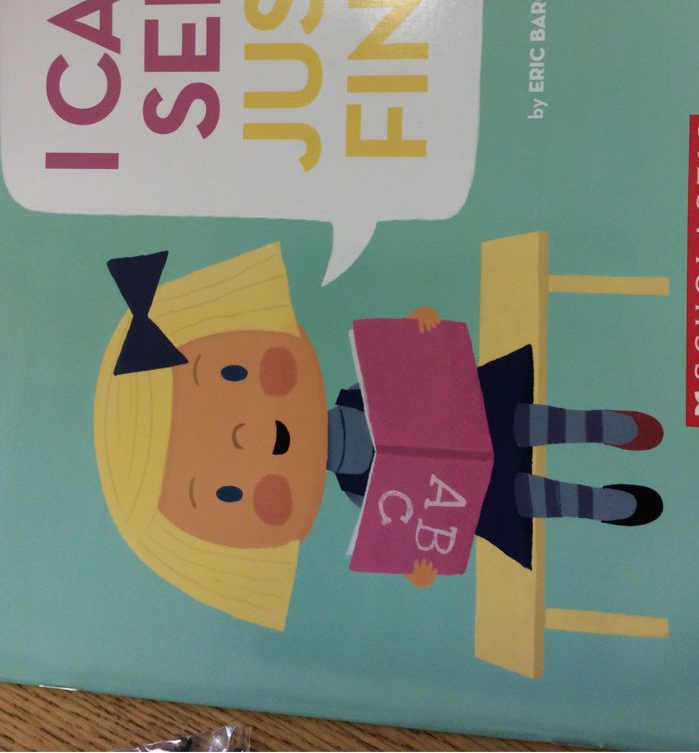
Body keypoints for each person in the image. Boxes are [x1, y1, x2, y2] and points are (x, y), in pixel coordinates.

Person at [94, 242, 663, 625]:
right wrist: (421, 564)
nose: (252, 438)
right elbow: (411, 526)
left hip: (455, 411)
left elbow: (411, 368)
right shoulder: (357, 493)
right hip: (451, 492)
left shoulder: (359, 389)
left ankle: (597, 426)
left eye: (234, 373)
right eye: (226, 493)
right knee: (509, 497)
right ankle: (596, 504)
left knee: (515, 419)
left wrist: (421, 331)